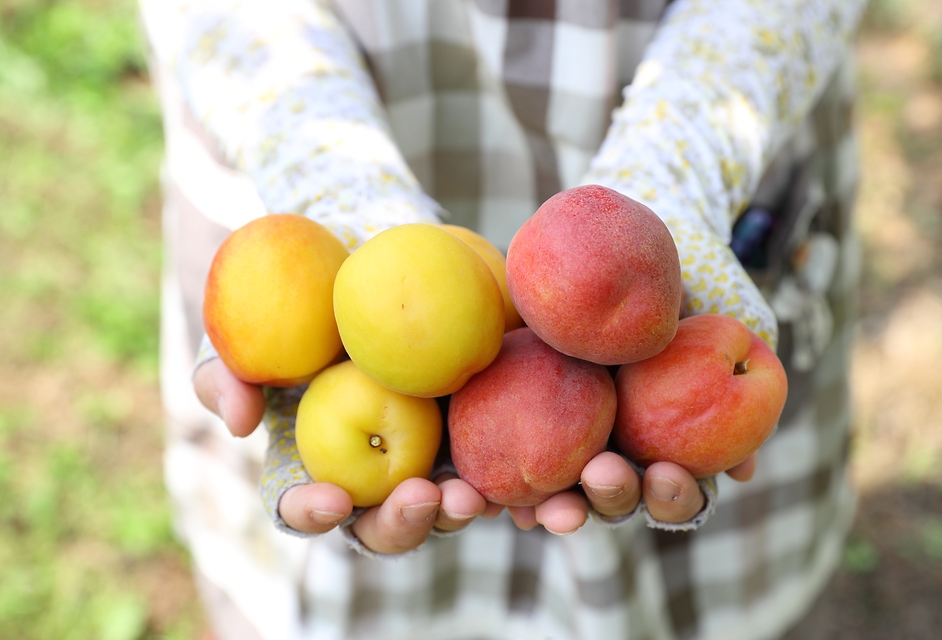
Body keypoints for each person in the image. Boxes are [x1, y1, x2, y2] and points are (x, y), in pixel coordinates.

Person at [141, 1, 866, 638]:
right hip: (324, 105)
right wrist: (328, 169)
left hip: (698, 89)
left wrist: (681, 160)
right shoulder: (330, 265)